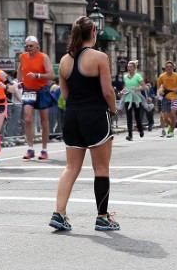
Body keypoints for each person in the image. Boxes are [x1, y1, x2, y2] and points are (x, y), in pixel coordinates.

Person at [49, 16, 119, 232]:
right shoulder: (99, 57)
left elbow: (65, 93)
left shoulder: (64, 61)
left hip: (72, 116)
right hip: (95, 115)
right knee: (101, 168)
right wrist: (114, 109)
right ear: (94, 33)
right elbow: (107, 91)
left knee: (71, 167)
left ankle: (59, 213)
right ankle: (102, 216)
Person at [18, 35, 56, 160]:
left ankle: (44, 149)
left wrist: (37, 75)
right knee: (28, 118)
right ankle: (30, 148)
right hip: (28, 90)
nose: (28, 48)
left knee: (44, 119)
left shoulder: (43, 57)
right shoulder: (22, 57)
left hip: (41, 90)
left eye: (31, 46)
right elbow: (20, 69)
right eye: (27, 46)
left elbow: (51, 75)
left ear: (37, 47)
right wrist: (19, 82)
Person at [157, 61, 177, 138]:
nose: (169, 68)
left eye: (170, 67)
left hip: (174, 97)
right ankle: (171, 126)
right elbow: (159, 86)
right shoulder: (161, 76)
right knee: (165, 117)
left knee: (173, 114)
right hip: (165, 98)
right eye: (167, 67)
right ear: (165, 68)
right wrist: (160, 91)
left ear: (173, 68)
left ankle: (171, 131)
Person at [121, 60, 145, 141]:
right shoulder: (125, 76)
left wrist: (137, 88)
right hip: (128, 99)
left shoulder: (138, 76)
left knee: (137, 117)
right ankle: (130, 135)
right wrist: (122, 92)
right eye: (128, 66)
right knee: (129, 117)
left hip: (136, 99)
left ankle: (140, 129)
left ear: (134, 68)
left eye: (131, 67)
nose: (129, 68)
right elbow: (125, 87)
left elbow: (144, 87)